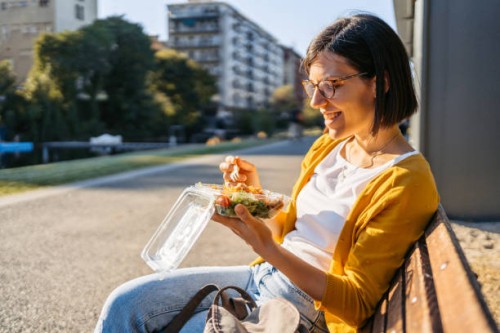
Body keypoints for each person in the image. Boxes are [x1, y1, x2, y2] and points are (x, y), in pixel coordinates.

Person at [94, 14, 439, 333]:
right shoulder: (327, 146)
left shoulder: (406, 180)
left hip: (307, 310)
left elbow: (357, 303)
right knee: (127, 304)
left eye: (332, 84)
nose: (316, 101)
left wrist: (265, 246)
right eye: (313, 85)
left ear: (381, 83)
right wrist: (256, 199)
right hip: (262, 276)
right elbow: (293, 230)